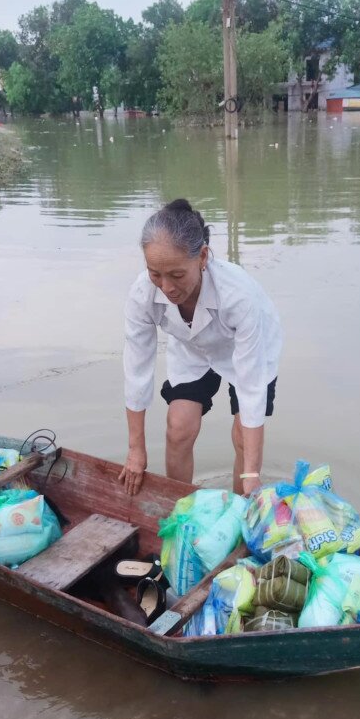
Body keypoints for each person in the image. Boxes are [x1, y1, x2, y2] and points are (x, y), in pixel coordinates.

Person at [120, 198, 282, 499]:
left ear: (203, 257)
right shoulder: (143, 294)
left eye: (177, 275)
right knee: (179, 425)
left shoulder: (238, 297)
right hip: (192, 347)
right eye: (155, 273)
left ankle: (238, 509)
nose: (166, 287)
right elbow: (137, 371)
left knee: (243, 440)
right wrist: (136, 450)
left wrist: (252, 476)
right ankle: (181, 506)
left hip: (247, 349)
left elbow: (250, 389)